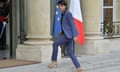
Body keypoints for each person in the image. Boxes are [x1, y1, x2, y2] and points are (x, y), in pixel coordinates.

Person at [48, 0, 82, 72]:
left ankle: (54, 61)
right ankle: (78, 67)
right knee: (70, 52)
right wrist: (62, 32)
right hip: (67, 34)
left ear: (65, 6)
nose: (60, 7)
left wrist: (75, 35)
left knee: (55, 44)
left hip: (68, 36)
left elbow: (72, 25)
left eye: (62, 6)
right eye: (59, 6)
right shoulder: (63, 14)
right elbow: (66, 25)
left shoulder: (68, 13)